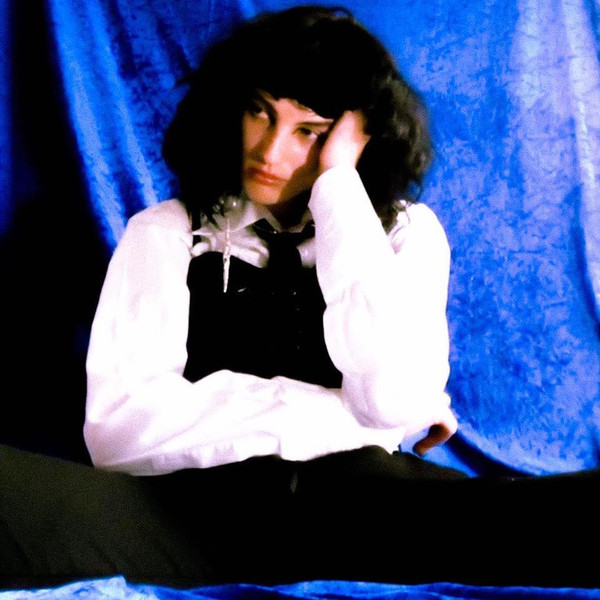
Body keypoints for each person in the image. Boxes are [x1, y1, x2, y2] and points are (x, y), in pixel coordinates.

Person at [0, 4, 598, 591]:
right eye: (259, 113)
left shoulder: (406, 236)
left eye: (308, 131)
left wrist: (337, 186)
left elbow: (390, 400)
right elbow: (118, 431)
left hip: (359, 506)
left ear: (358, 141)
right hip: (184, 512)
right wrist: (345, 416)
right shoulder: (166, 231)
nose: (269, 151)